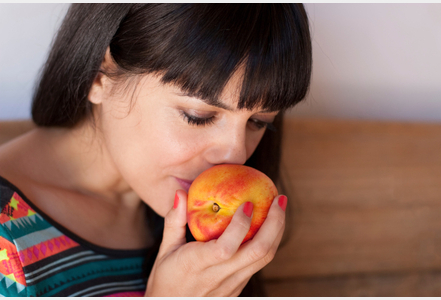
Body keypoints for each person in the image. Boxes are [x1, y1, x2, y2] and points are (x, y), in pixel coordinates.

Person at [0, 4, 312, 297]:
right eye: (197, 116)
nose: (236, 156)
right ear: (100, 75)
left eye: (258, 122)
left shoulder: (196, 219)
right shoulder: (8, 234)